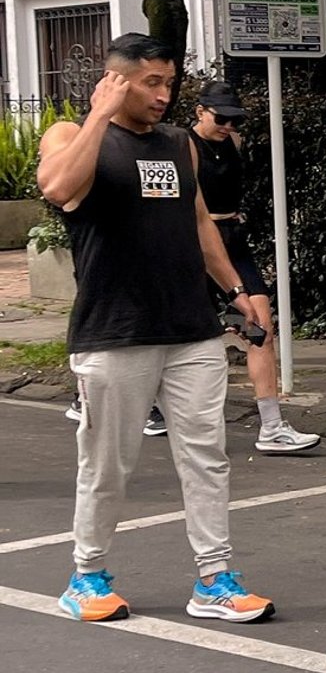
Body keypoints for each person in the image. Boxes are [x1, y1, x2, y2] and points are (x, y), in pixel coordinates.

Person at [37, 31, 272, 625]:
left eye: (170, 82)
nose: (165, 94)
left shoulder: (177, 145)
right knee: (108, 461)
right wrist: (98, 115)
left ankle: (215, 578)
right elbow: (60, 189)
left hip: (189, 328)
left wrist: (237, 291)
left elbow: (198, 224)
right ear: (116, 80)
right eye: (151, 83)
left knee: (206, 455)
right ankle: (86, 575)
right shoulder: (71, 136)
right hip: (114, 331)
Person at [190, 80, 322, 456]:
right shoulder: (186, 146)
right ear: (200, 111)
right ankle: (150, 405)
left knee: (261, 326)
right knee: (186, 331)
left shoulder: (234, 143)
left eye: (235, 120)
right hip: (199, 242)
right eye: (221, 118)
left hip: (234, 237)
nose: (229, 126)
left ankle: (272, 425)